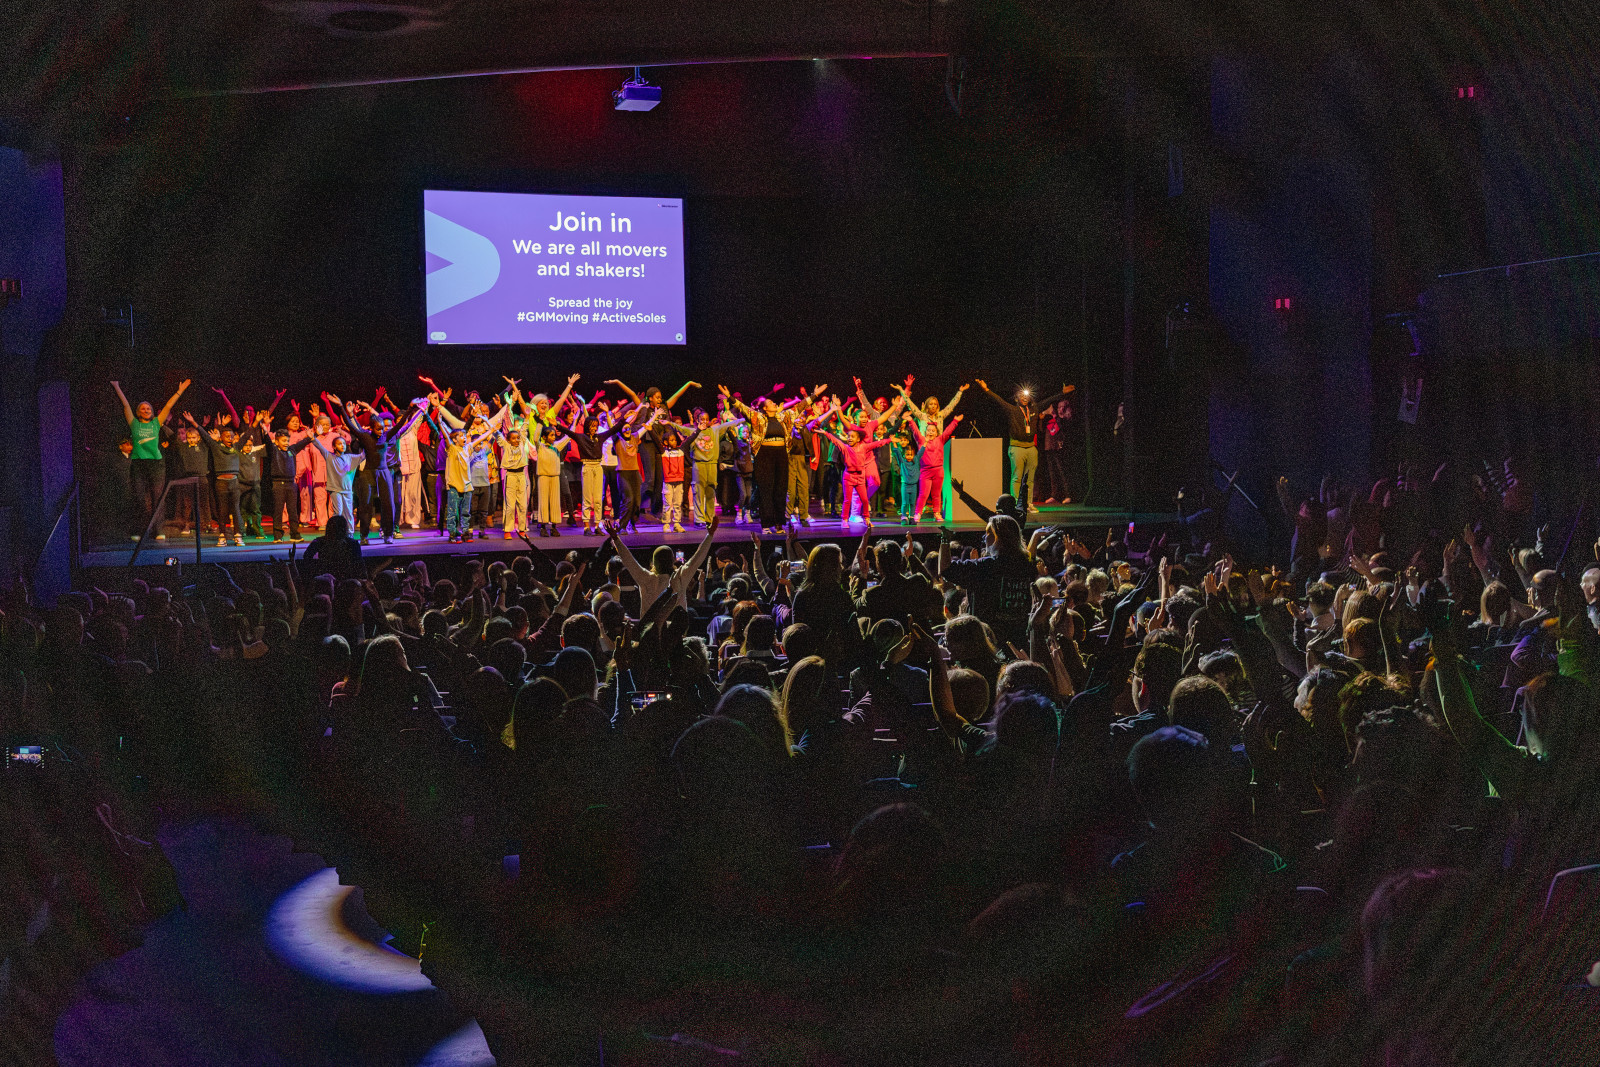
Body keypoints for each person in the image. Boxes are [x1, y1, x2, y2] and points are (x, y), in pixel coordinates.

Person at [938, 514, 1037, 650]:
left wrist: (944, 540)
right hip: (1018, 641)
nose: (985, 537)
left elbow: (946, 569)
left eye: (989, 533)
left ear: (1001, 538)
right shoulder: (1027, 566)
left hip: (988, 643)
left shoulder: (987, 567)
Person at [111, 377, 189, 540]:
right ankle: (139, 530)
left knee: (157, 498)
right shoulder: (134, 423)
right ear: (138, 412)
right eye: (143, 408)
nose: (146, 410)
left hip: (156, 465)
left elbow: (168, 405)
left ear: (152, 412)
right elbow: (125, 405)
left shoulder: (156, 423)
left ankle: (158, 530)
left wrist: (179, 391)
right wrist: (117, 387)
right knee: (139, 498)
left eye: (148, 409)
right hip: (139, 465)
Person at [974, 378, 1040, 512]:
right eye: (1021, 395)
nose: (1024, 397)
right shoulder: (1012, 410)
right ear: (1016, 399)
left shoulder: (1034, 409)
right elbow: (999, 401)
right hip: (1017, 448)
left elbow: (1048, 401)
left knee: (1030, 479)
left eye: (1026, 395)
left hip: (1031, 448)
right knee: (1017, 477)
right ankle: (1016, 504)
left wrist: (1062, 394)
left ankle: (1028, 503)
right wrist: (987, 390)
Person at [906, 413, 964, 524]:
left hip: (938, 471)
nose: (931, 432)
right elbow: (915, 432)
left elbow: (948, 431)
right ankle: (918, 513)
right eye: (928, 430)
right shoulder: (922, 440)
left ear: (936, 433)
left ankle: (937, 513)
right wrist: (911, 421)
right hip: (925, 471)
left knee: (936, 494)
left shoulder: (940, 440)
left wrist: (955, 421)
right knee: (923, 494)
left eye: (933, 431)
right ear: (925, 432)